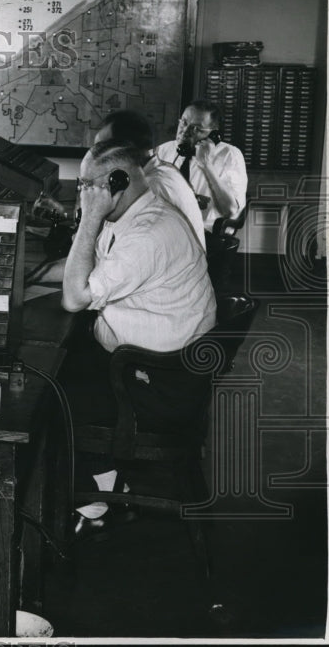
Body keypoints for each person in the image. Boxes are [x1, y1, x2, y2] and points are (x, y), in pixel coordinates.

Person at [60, 140, 216, 537]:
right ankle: (107, 483)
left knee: (47, 394)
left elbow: (74, 296)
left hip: (163, 387)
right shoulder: (145, 214)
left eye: (88, 186)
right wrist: (94, 217)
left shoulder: (147, 235)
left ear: (118, 181)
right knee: (65, 358)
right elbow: (93, 267)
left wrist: (89, 217)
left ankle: (96, 500)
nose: (83, 194)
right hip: (168, 366)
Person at [94, 109, 205, 250]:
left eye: (102, 150)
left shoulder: (150, 188)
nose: (95, 159)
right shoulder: (163, 171)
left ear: (128, 151)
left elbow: (112, 252)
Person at [155, 100, 248, 234]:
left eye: (196, 128)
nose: (185, 131)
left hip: (204, 233)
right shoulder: (163, 151)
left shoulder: (230, 155)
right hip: (167, 230)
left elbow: (230, 211)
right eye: (184, 123)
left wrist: (206, 164)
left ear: (212, 134)